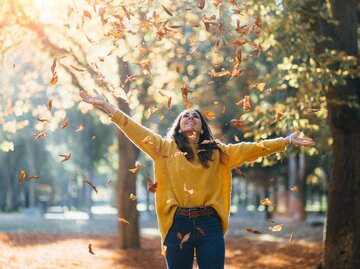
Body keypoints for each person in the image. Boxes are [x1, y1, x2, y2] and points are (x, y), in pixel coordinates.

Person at [79, 89, 316, 269]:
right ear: (179, 126)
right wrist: (107, 107)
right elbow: (135, 130)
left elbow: (251, 148)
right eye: (185, 116)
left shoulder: (218, 152)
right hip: (177, 224)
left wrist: (284, 141)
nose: (191, 117)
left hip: (209, 226)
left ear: (202, 126)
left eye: (196, 116)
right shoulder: (164, 148)